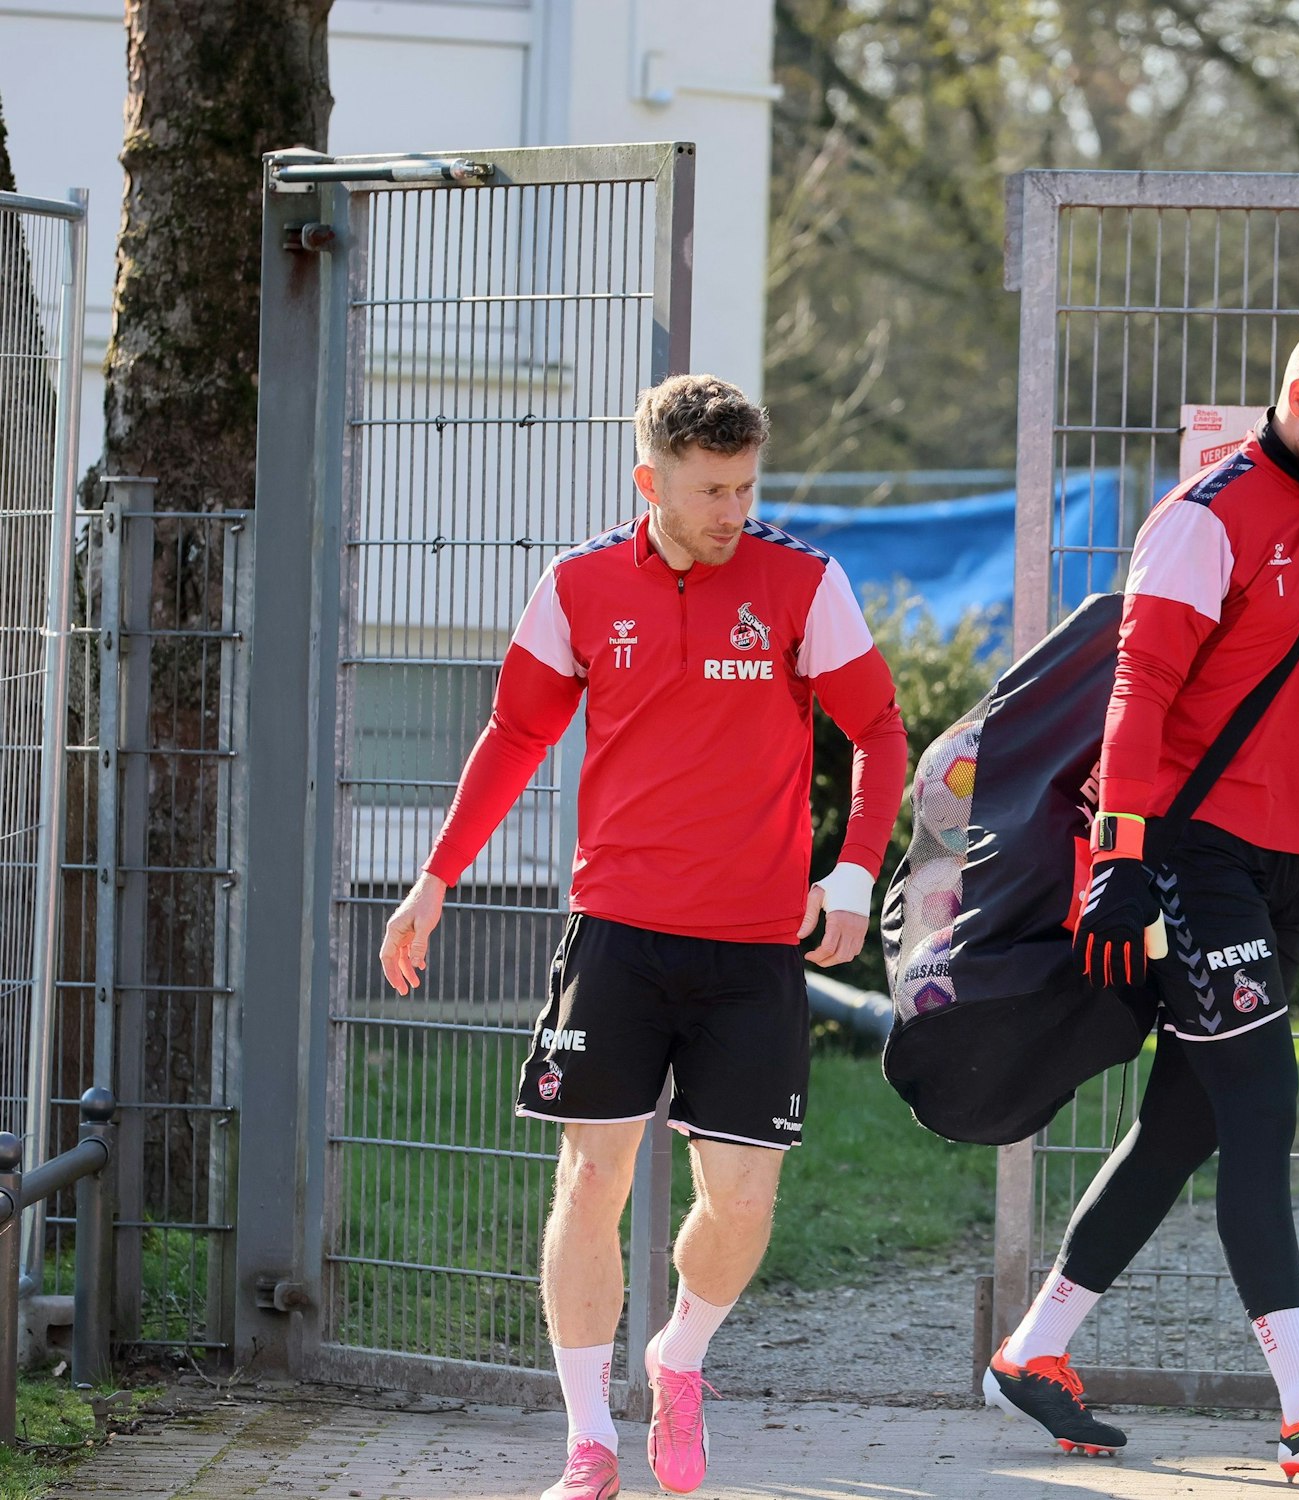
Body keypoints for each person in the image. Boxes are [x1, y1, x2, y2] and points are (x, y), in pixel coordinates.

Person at [377, 374, 908, 1500]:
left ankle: (677, 1357)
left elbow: (876, 730)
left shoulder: (803, 582)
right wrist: (434, 881)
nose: (732, 509)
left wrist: (852, 874)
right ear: (648, 481)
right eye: (710, 489)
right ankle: (587, 1442)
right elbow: (513, 737)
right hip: (614, 933)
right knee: (590, 1180)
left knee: (743, 1201)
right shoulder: (575, 586)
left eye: (746, 486)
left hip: (751, 947)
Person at [983, 315, 1299, 1483]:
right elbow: (1138, 692)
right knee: (1259, 1105)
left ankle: (1032, 1354)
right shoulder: (1202, 517)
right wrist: (1121, 849)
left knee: (1182, 1123)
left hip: (1283, 862)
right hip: (1192, 855)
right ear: (1298, 394)